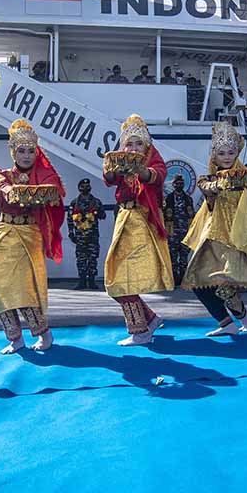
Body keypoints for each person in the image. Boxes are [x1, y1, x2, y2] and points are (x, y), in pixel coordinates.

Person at [0, 120, 65, 353]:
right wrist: (15, 192)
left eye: (30, 151)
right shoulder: (2, 174)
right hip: (4, 232)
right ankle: (14, 338)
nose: (26, 156)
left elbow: (54, 193)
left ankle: (43, 333)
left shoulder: (46, 175)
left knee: (24, 286)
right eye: (21, 151)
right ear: (13, 152)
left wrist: (34, 194)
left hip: (29, 235)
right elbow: (5, 191)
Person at [182, 123, 247, 336]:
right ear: (214, 155)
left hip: (235, 239)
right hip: (212, 238)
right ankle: (226, 323)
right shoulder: (208, 179)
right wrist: (217, 186)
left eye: (231, 152)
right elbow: (206, 189)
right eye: (221, 153)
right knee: (197, 282)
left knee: (223, 284)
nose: (227, 157)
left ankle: (241, 315)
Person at [103, 114, 175, 345]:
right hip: (124, 218)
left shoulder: (153, 160)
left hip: (142, 221)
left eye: (138, 144)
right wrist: (113, 167)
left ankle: (140, 331)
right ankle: (149, 320)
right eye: (129, 144)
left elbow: (158, 175)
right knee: (115, 277)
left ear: (147, 146)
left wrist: (140, 170)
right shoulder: (120, 160)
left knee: (119, 278)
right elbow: (109, 178)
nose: (133, 148)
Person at [67, 178, 106, 290]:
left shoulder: (96, 202)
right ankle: (82, 281)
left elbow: (103, 216)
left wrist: (97, 213)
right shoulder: (74, 202)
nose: (85, 188)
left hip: (93, 235)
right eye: (82, 186)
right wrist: (71, 233)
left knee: (93, 258)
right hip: (80, 236)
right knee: (81, 259)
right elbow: (70, 219)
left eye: (87, 186)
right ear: (79, 188)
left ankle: (92, 281)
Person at [163, 173, 195, 286]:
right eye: (177, 183)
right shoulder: (169, 199)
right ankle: (174, 278)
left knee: (184, 255)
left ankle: (183, 277)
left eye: (181, 183)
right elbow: (164, 215)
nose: (179, 185)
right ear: (173, 185)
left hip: (185, 231)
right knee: (172, 255)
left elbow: (192, 216)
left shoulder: (188, 199)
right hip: (172, 231)